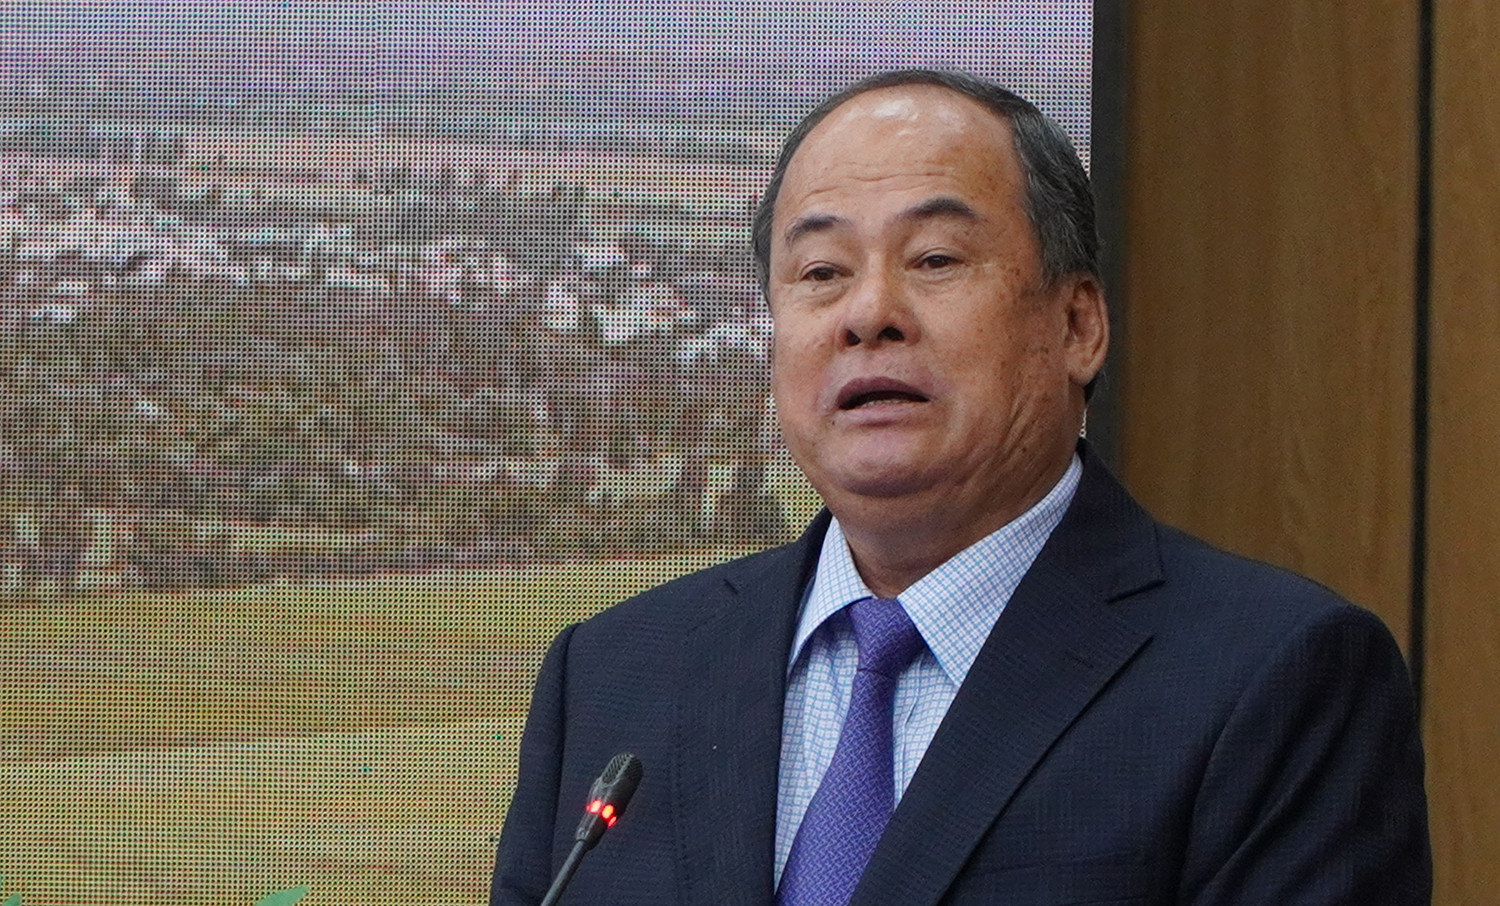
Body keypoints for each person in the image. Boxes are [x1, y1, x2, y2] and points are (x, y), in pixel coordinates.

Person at [490, 69, 1430, 906]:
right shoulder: (615, 675)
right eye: (821, 272)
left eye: (935, 260)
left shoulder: (1271, 679)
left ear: (1078, 325)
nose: (869, 314)